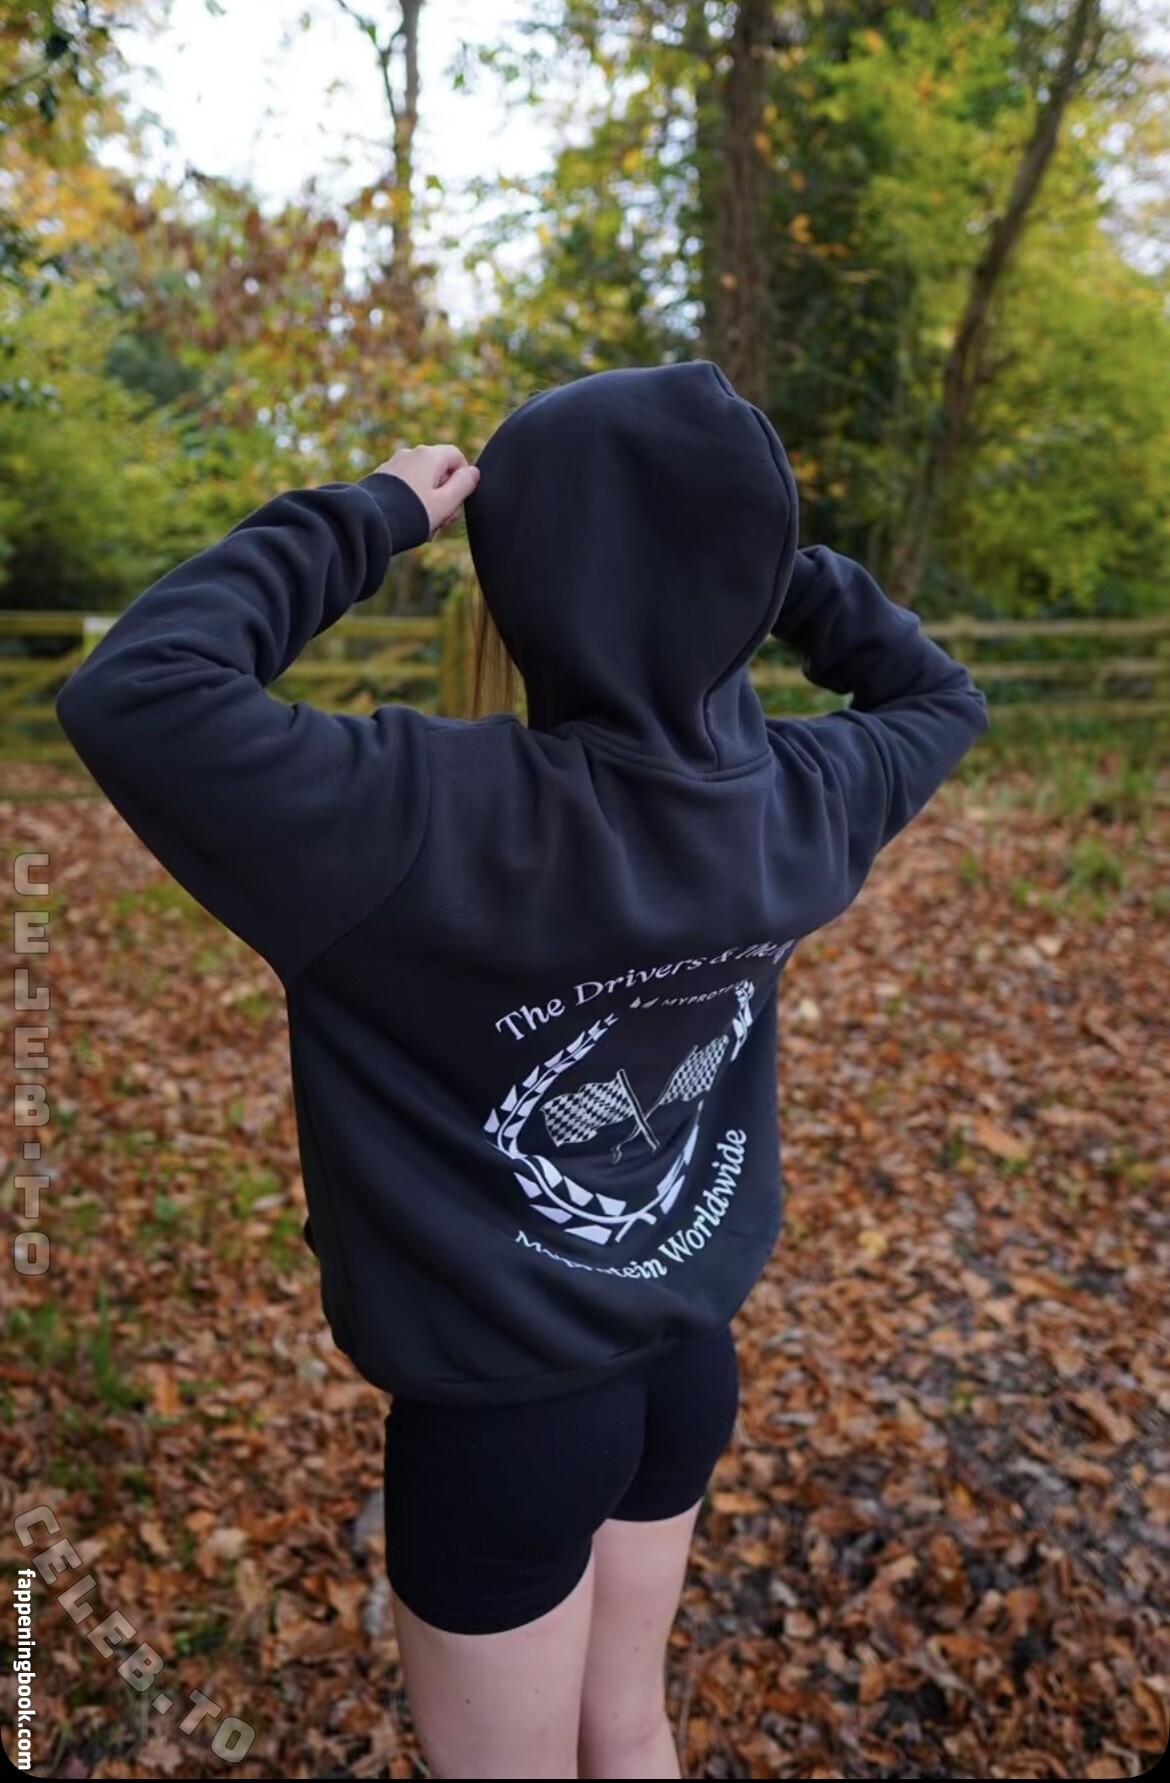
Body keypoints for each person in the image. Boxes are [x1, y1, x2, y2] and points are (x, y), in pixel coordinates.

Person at [55, 360, 990, 1780]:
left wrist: (370, 514)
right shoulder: (804, 799)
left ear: (533, 581)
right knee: (632, 1728)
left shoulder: (421, 819)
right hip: (687, 1360)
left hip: (504, 1419)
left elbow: (141, 690)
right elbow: (937, 693)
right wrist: (760, 566)